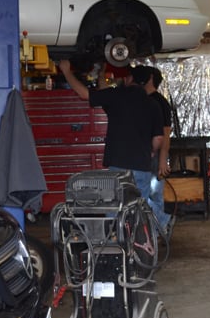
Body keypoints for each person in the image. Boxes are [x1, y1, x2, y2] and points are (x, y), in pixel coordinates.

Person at [58, 60, 173, 234]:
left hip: (118, 164)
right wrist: (151, 151)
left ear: (130, 79)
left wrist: (66, 71)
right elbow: (158, 138)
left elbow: (84, 94)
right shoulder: (153, 104)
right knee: (139, 206)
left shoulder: (116, 96)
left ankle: (117, 241)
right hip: (141, 165)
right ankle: (142, 239)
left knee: (114, 205)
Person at [132, 65, 175, 231]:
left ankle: (160, 225)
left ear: (150, 78)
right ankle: (156, 228)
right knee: (145, 193)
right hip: (142, 155)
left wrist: (163, 160)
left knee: (153, 194)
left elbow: (165, 133)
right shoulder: (141, 100)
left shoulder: (159, 102)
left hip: (155, 155)